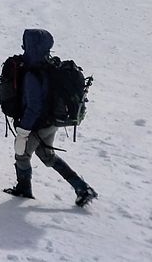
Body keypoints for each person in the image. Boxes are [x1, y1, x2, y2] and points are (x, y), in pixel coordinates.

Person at [5, 29, 98, 206]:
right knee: (47, 156)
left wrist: (23, 132)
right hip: (51, 122)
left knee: (22, 155)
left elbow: (34, 106)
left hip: (38, 124)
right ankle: (82, 188)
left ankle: (24, 190)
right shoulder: (50, 65)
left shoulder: (33, 73)